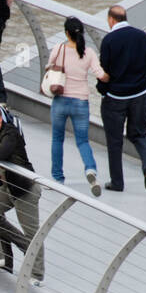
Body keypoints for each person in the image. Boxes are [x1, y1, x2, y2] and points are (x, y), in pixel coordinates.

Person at [0, 104, 43, 281]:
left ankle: (36, 275)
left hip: (24, 188)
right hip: (8, 186)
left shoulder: (10, 133)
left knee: (32, 233)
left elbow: (0, 154)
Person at [98, 4, 146, 192]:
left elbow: (104, 72)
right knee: (139, 134)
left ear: (110, 19)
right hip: (140, 95)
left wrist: (103, 90)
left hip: (115, 97)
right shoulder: (142, 36)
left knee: (114, 140)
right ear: (125, 17)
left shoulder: (109, 40)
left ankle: (117, 182)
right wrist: (141, 81)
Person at [48, 16, 104, 195]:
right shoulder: (89, 53)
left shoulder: (59, 48)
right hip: (81, 102)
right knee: (82, 141)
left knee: (57, 139)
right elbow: (100, 74)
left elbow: (50, 67)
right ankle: (90, 170)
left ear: (66, 33)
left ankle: (58, 178)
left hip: (60, 100)